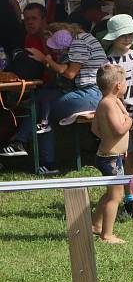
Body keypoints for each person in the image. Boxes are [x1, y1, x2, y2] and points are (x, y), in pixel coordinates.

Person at [25, 23, 107, 174]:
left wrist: (47, 60)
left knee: (43, 107)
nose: (56, 50)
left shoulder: (79, 43)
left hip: (91, 94)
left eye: (56, 46)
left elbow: (69, 74)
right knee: (43, 102)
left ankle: (44, 160)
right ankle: (29, 147)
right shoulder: (84, 39)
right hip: (92, 93)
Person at [103, 14, 133, 219]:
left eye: (130, 34)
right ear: (113, 37)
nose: (127, 38)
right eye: (123, 35)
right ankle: (127, 199)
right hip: (119, 116)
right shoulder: (108, 63)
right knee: (124, 157)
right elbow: (108, 92)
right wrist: (120, 115)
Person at [0, 3, 51, 157]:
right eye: (26, 19)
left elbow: (61, 69)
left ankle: (19, 142)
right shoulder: (29, 37)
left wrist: (44, 61)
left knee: (38, 104)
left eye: (33, 18)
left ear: (44, 19)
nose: (29, 22)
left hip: (54, 87)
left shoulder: (51, 36)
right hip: (34, 86)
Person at [90, 64, 131, 244]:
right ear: (118, 86)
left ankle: (95, 224)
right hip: (110, 159)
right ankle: (107, 235)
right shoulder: (108, 103)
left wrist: (119, 146)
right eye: (125, 82)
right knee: (116, 196)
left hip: (111, 155)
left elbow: (95, 128)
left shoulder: (111, 101)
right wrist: (130, 121)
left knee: (109, 194)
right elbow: (119, 128)